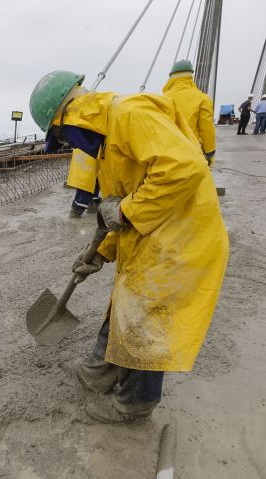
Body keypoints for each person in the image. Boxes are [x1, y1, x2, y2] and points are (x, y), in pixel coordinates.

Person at [29, 71, 229, 423]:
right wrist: (102, 253)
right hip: (154, 232)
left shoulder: (129, 115)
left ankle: (134, 404)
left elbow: (183, 169)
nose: (70, 147)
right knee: (125, 302)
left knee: (146, 317)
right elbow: (118, 209)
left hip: (180, 236)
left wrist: (124, 210)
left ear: (72, 118)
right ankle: (100, 371)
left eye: (63, 139)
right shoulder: (107, 143)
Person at [162, 60, 216, 164]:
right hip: (192, 151)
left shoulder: (162, 99)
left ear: (171, 78)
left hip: (167, 152)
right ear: (191, 77)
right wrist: (210, 152)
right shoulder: (203, 98)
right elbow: (207, 128)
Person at [66, 149, 101, 218]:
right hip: (88, 151)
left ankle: (92, 207)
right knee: (86, 180)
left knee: (94, 178)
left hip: (93, 152)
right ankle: (76, 214)